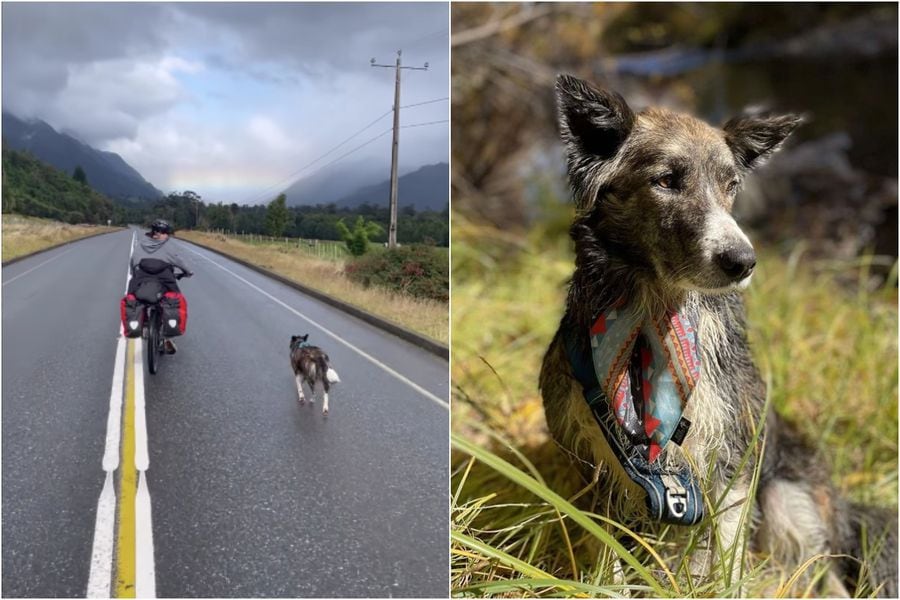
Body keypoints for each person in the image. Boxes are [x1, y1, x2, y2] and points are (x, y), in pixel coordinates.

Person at [129, 218, 193, 353]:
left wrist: (134, 273)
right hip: (163, 282)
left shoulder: (141, 244)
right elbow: (180, 262)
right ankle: (169, 336)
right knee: (173, 301)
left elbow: (133, 262)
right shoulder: (167, 246)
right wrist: (188, 272)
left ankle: (144, 324)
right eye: (166, 233)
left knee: (138, 300)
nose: (167, 235)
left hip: (141, 281)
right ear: (161, 233)